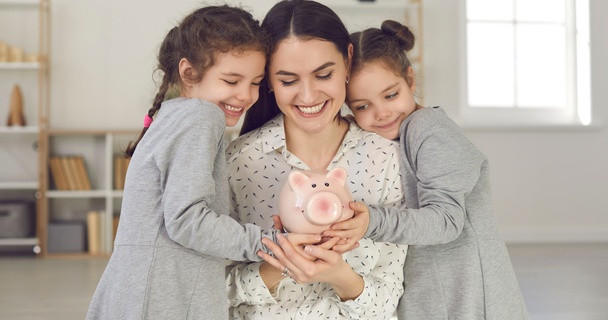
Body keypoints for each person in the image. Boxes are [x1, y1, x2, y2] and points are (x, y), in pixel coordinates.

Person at [85, 6, 310, 319]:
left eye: (256, 82)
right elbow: (188, 221)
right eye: (232, 81)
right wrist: (273, 244)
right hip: (162, 302)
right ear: (188, 73)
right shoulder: (201, 117)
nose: (246, 95)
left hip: (139, 296)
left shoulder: (174, 114)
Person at [225, 1, 408, 319]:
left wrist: (340, 276)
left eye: (323, 74)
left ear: (348, 60)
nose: (308, 97)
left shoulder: (387, 159)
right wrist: (280, 264)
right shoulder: (238, 163)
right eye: (288, 80)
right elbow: (210, 289)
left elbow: (391, 295)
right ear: (268, 78)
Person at [337, 19, 530, 319]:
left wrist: (371, 220)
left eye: (390, 95)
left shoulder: (429, 130)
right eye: (363, 106)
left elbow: (446, 220)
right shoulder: (396, 133)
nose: (382, 112)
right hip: (436, 290)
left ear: (411, 81)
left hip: (468, 298)